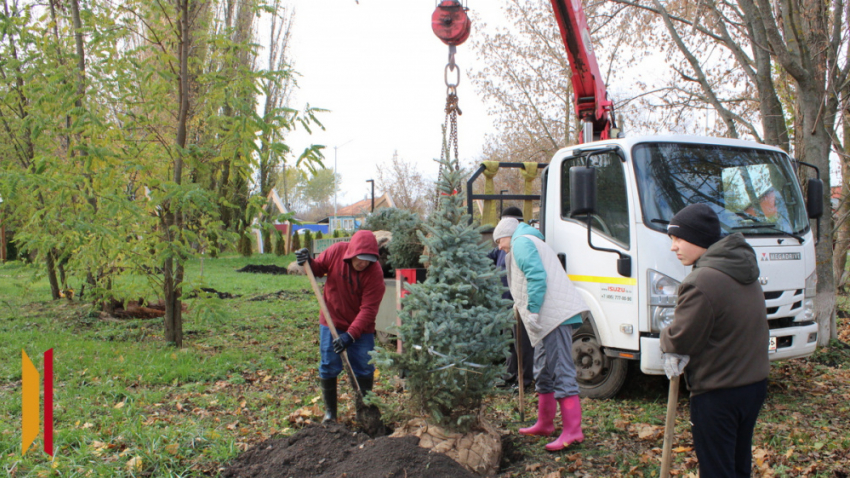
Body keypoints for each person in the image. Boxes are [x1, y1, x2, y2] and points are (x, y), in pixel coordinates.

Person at [661, 203, 769, 477]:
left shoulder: (701, 280)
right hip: (753, 384)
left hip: (719, 389)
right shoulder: (743, 268)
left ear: (698, 238)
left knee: (717, 468)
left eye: (678, 238)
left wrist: (666, 337)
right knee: (737, 462)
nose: (673, 247)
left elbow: (680, 339)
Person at [493, 217, 588, 451]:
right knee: (543, 368)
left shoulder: (522, 243)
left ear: (508, 235)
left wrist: (533, 310)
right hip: (546, 318)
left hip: (554, 316)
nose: (499, 247)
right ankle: (545, 423)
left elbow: (536, 276)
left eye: (499, 241)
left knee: (560, 369)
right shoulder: (524, 242)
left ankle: (573, 431)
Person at [296, 230, 386, 423]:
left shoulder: (375, 273)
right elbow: (318, 269)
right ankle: (330, 414)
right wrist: (308, 261)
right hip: (332, 321)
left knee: (363, 366)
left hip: (361, 328)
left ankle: (365, 412)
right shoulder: (336, 251)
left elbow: (369, 309)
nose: (364, 263)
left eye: (369, 260)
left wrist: (350, 336)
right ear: (352, 253)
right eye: (360, 258)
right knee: (328, 365)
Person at [488, 206, 533, 391]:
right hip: (505, 302)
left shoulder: (521, 247)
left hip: (518, 303)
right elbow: (489, 256)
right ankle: (509, 375)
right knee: (509, 342)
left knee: (521, 344)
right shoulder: (502, 248)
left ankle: (524, 381)